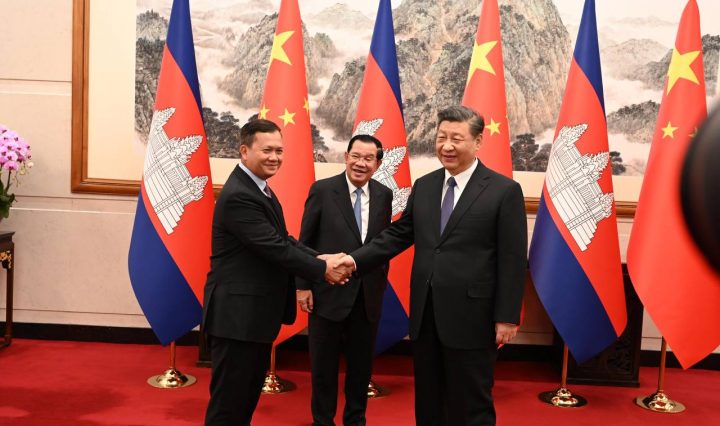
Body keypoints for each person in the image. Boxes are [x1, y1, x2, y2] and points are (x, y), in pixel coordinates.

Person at [341, 106, 527, 425]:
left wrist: (507, 316)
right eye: (441, 137)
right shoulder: (425, 185)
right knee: (428, 400)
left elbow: (513, 258)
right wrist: (354, 259)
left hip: (474, 316)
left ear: (478, 142)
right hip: (426, 314)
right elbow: (399, 234)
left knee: (471, 403)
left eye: (456, 138)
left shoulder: (504, 190)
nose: (447, 146)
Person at [202, 119, 350, 426]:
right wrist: (323, 269)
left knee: (244, 400)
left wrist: (320, 256)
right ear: (244, 151)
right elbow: (274, 248)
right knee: (229, 405)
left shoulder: (260, 189)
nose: (274, 157)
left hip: (252, 317)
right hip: (237, 318)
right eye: (266, 150)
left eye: (279, 151)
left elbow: (282, 240)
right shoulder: (240, 195)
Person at [296, 134, 393, 426]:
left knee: (361, 369)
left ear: (377, 164)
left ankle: (355, 420)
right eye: (356, 156)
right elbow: (304, 242)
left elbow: (382, 246)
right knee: (323, 368)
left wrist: (378, 284)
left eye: (368, 159)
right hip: (326, 294)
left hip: (367, 296)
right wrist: (303, 286)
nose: (360, 163)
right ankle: (322, 420)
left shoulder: (384, 195)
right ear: (346, 156)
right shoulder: (323, 190)